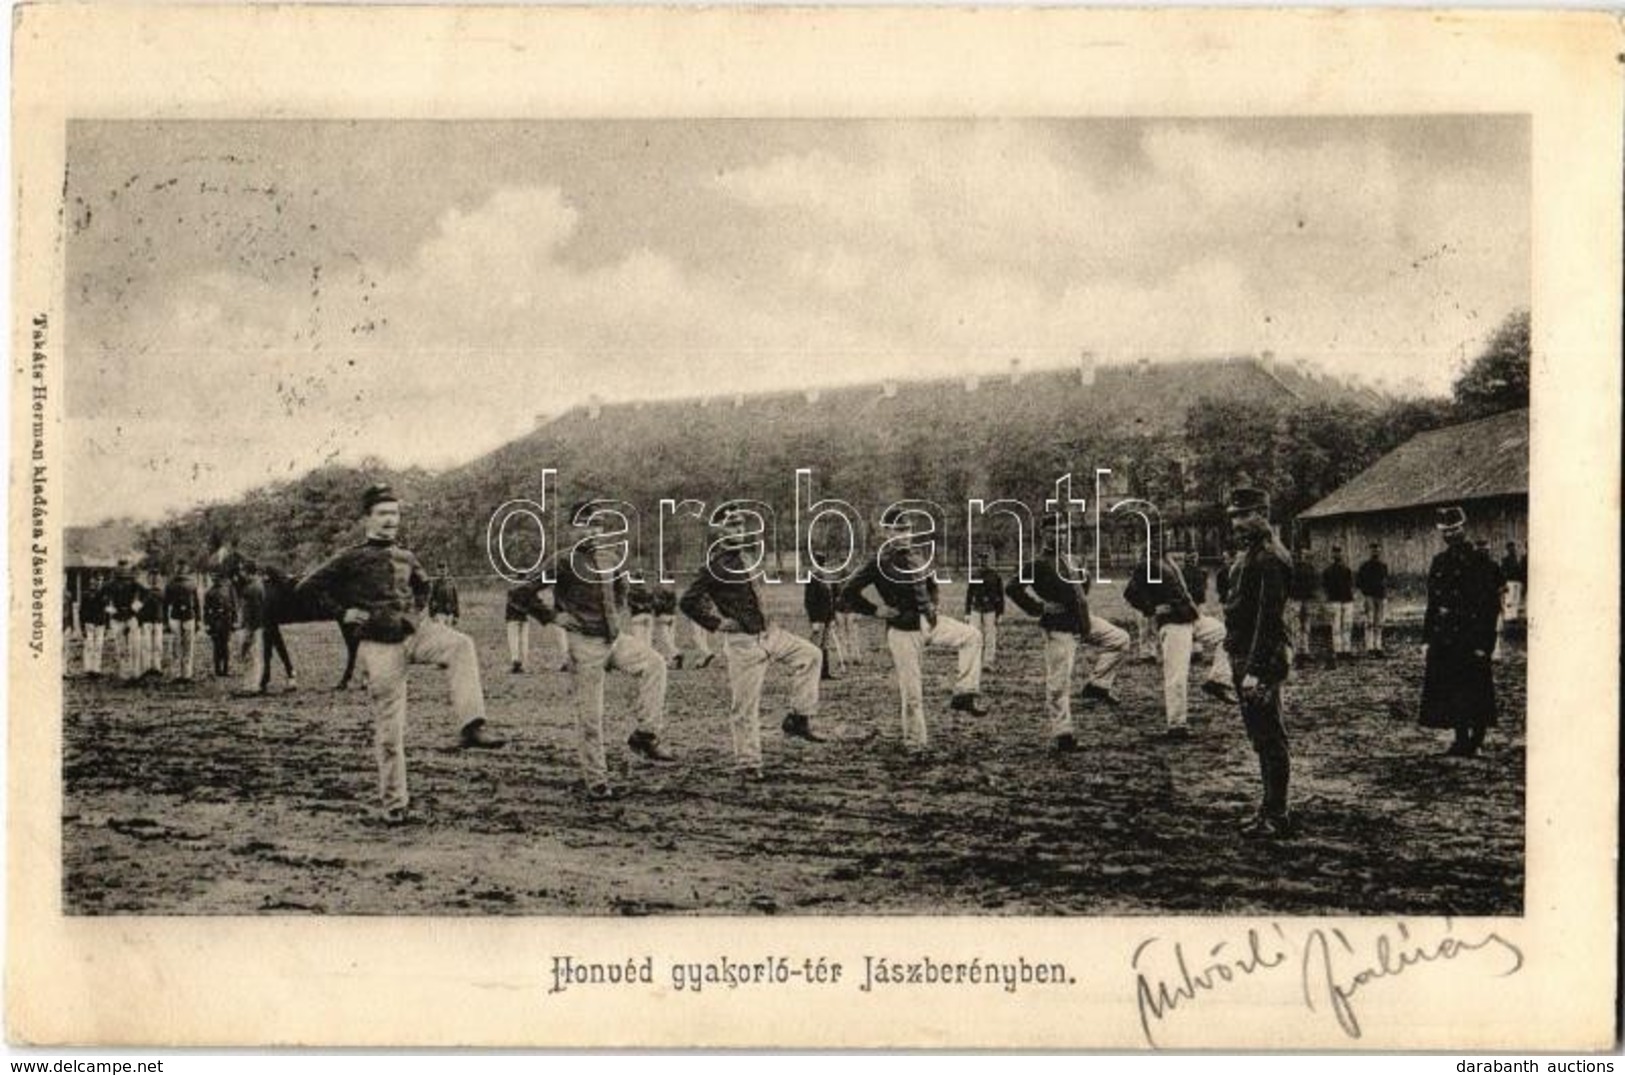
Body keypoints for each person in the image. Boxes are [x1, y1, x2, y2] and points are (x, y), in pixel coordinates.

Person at [295, 483, 505, 823]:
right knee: (391, 731)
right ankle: (395, 805)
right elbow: (306, 588)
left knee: (461, 644)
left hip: (414, 634)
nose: (390, 520)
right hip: (379, 646)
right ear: (367, 518)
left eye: (394, 513)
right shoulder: (351, 557)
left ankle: (472, 725)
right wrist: (342, 612)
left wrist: (416, 613)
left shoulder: (406, 556)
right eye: (382, 514)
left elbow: (424, 586)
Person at [532, 501, 674, 798]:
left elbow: (621, 589)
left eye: (597, 524)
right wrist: (553, 616)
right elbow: (521, 592)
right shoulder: (561, 561)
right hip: (584, 644)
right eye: (585, 524)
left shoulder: (609, 557)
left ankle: (645, 735)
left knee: (656, 664)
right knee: (591, 718)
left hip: (614, 640)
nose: (592, 530)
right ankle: (596, 782)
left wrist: (617, 612)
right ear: (572, 529)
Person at [681, 507, 824, 779]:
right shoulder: (715, 566)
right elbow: (687, 601)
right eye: (732, 526)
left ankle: (798, 717)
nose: (739, 531)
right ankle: (748, 762)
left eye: (741, 525)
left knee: (812, 655)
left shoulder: (747, 558)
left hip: (770, 634)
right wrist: (717, 623)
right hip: (742, 642)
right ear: (719, 532)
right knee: (745, 706)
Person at [841, 506, 987, 751]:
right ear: (886, 532)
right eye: (897, 530)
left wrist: (933, 607)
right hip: (902, 631)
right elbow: (847, 593)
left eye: (906, 529)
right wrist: (876, 610)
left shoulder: (919, 556)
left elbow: (932, 586)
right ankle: (915, 744)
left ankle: (964, 693)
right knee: (912, 693)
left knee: (972, 636)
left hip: (929, 622)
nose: (903, 535)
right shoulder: (878, 561)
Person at [1222, 488, 1295, 839]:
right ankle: (1268, 808)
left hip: (1260, 659)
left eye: (1243, 515)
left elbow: (1268, 619)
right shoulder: (1252, 553)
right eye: (1234, 516)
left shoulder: (1268, 557)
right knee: (1260, 737)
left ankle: (1277, 814)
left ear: (1262, 513)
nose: (1236, 523)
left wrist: (1254, 669)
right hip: (1246, 654)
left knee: (1270, 737)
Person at [1004, 514, 1099, 752]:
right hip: (1058, 628)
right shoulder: (1038, 563)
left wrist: (1084, 577)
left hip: (1080, 622)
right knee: (1059, 682)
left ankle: (1100, 685)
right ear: (1043, 534)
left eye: (1064, 531)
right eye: (1054, 532)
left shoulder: (1072, 559)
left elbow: (1083, 589)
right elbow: (1013, 588)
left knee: (1121, 640)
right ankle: (1063, 734)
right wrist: (1039, 607)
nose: (1060, 536)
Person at [1124, 538, 1235, 741]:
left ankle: (1218, 680)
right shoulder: (1146, 565)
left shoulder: (1168, 560)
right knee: (1177, 675)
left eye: (1163, 536)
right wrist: (1152, 608)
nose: (1162, 540)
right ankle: (1176, 726)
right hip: (1173, 623)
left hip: (1191, 617)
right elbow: (1130, 593)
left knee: (1229, 634)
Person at [1419, 507, 1502, 757]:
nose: (1450, 535)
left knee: (1475, 688)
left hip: (1471, 634)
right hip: (1446, 637)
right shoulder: (1439, 562)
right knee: (1451, 688)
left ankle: (1476, 741)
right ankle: (1459, 738)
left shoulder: (1480, 562)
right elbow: (1433, 603)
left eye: (1455, 530)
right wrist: (1427, 638)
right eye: (1446, 531)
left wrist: (1484, 643)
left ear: (1464, 529)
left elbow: (1489, 607)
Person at [963, 549, 1006, 670]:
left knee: (990, 637)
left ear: (989, 561)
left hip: (990, 609)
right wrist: (967, 612)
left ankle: (988, 662)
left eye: (985, 559)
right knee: (973, 635)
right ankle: (973, 661)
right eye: (981, 559)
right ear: (978, 561)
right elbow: (969, 594)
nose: (983, 562)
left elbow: (1000, 595)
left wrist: (1000, 613)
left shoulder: (995, 576)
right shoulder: (974, 575)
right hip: (976, 609)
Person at [103, 559, 144, 683]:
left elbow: (146, 594)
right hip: (117, 618)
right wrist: (110, 609)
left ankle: (135, 672)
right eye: (121, 567)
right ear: (117, 568)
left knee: (135, 645)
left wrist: (135, 607)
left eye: (125, 567)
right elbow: (101, 598)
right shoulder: (111, 584)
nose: (123, 570)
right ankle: (124, 673)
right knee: (121, 646)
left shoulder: (133, 582)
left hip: (131, 616)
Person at [163, 562, 202, 681]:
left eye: (182, 567)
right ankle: (183, 673)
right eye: (180, 567)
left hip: (184, 617)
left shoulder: (172, 584)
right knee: (181, 646)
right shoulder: (175, 584)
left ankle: (183, 674)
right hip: (182, 617)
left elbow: (196, 604)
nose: (180, 569)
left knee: (181, 645)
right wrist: (198, 620)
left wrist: (198, 620)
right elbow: (166, 604)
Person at [802, 573, 845, 679]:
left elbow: (833, 600)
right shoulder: (813, 578)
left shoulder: (832, 579)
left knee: (825, 645)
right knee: (815, 645)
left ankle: (824, 672)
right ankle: (811, 672)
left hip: (827, 617)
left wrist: (832, 617)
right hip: (818, 617)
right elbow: (809, 601)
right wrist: (813, 620)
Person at [1286, 544, 1320, 667]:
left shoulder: (1310, 569)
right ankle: (1296, 651)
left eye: (1302, 555)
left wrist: (1312, 593)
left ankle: (1305, 650)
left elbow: (1315, 583)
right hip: (1295, 599)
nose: (1299, 558)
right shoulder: (1289, 570)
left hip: (1307, 599)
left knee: (1306, 626)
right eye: (1296, 555)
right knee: (1295, 626)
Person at [1321, 546, 1355, 665]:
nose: (1337, 555)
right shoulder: (1327, 571)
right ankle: (1338, 650)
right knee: (1336, 627)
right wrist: (1328, 599)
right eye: (1335, 553)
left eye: (1339, 553)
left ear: (1341, 555)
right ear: (1332, 555)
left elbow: (1351, 584)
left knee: (1347, 625)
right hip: (1334, 601)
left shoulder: (1347, 570)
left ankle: (1347, 649)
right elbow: (1325, 586)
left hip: (1347, 600)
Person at [1355, 543, 1389, 657]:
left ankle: (1378, 646)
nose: (1375, 553)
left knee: (1379, 622)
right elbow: (1358, 582)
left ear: (1380, 552)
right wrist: (1365, 592)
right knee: (1369, 622)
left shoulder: (1383, 566)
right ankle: (1370, 647)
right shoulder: (1364, 566)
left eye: (1377, 550)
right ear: (1370, 552)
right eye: (1373, 551)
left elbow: (1386, 581)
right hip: (1369, 596)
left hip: (1380, 597)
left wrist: (1384, 593)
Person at [203, 572, 237, 677]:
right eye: (213, 577)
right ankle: (217, 669)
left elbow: (234, 605)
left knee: (225, 645)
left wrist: (234, 621)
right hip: (215, 620)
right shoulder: (209, 592)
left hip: (226, 619)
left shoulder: (228, 589)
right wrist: (207, 623)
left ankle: (226, 669)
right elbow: (206, 610)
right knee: (216, 646)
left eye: (217, 577)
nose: (215, 579)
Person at [79, 571, 109, 678]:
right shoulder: (86, 594)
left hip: (100, 623)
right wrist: (82, 626)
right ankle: (88, 668)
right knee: (89, 645)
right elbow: (81, 612)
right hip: (89, 623)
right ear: (93, 581)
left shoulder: (105, 595)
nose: (99, 582)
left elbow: (107, 611)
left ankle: (97, 669)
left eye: (101, 580)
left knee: (98, 646)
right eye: (97, 580)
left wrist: (107, 626)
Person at [1500, 541, 1525, 623]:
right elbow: (1503, 572)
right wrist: (1505, 583)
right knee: (1509, 600)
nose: (1513, 550)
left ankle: (1514, 617)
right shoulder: (1505, 560)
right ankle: (1509, 617)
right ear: (1508, 549)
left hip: (1517, 582)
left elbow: (1520, 571)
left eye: (1513, 548)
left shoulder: (1518, 559)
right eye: (1510, 548)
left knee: (1516, 600)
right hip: (1509, 582)